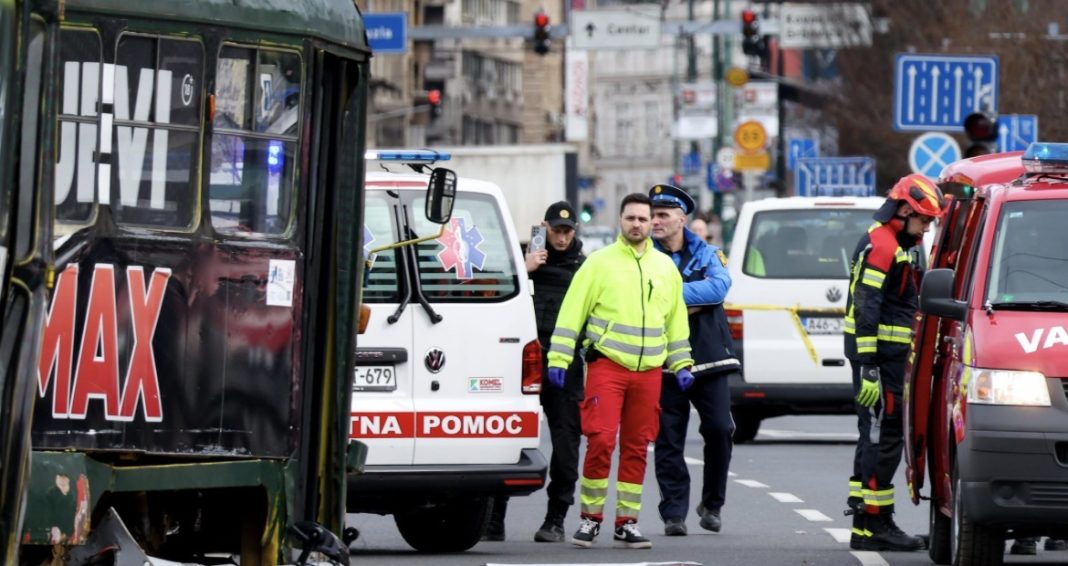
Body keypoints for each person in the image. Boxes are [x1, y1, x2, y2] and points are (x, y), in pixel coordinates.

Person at [547, 193, 694, 550]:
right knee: (599, 440)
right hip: (607, 366)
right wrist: (559, 358)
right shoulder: (599, 264)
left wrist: (682, 362)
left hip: (649, 373)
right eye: (631, 218)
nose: (637, 225)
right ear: (621, 221)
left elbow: (675, 321)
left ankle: (626, 522)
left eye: (643, 219)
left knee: (637, 447)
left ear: (650, 224)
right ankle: (589, 519)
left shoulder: (665, 269)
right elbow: (572, 313)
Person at [844, 173, 948, 552]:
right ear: (904, 211)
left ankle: (865, 523)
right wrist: (869, 364)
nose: (926, 228)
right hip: (879, 362)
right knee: (882, 439)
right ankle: (875, 526)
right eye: (923, 220)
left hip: (887, 361)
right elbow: (866, 307)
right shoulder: (883, 246)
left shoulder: (894, 242)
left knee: (878, 437)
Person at [485, 202, 586, 542]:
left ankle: (555, 518)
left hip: (564, 364)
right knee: (507, 438)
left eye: (567, 231)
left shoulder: (583, 269)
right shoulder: (520, 260)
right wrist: (523, 269)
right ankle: (493, 519)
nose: (561, 237)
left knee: (567, 441)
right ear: (544, 227)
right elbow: (493, 296)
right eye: (555, 230)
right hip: (523, 360)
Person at [648, 184, 739, 537]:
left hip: (709, 358)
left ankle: (712, 504)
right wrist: (688, 298)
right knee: (668, 438)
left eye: (662, 215)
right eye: (653, 215)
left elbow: (718, 288)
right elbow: (641, 293)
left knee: (719, 429)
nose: (655, 221)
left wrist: (668, 296)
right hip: (664, 359)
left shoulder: (709, 253)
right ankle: (674, 513)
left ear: (681, 219)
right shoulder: (645, 256)